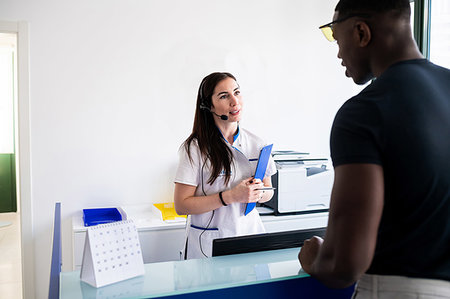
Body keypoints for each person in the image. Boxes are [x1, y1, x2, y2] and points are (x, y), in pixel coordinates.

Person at [299, 0, 450, 298]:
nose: (339, 53)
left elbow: (344, 264)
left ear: (361, 33)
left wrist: (314, 256)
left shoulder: (365, 112)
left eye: (337, 40)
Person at [174, 72, 276, 259]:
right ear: (208, 105)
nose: (234, 101)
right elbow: (181, 205)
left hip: (249, 235)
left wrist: (258, 192)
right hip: (208, 242)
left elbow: (269, 191)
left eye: (236, 92)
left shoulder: (258, 144)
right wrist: (230, 196)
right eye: (224, 96)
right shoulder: (195, 148)